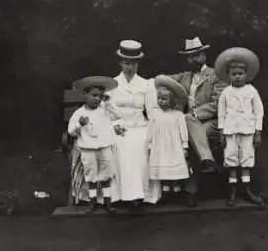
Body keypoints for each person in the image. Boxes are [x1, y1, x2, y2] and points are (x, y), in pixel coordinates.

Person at [169, 36, 227, 207]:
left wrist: (195, 113)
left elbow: (219, 103)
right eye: (189, 56)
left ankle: (189, 190)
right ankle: (206, 161)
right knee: (178, 130)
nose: (192, 59)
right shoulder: (185, 76)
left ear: (204, 55)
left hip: (213, 122)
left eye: (196, 55)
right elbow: (161, 80)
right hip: (189, 122)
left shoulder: (217, 75)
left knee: (192, 128)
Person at [106, 40, 161, 211]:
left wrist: (153, 131)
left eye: (133, 62)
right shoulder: (112, 84)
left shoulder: (146, 84)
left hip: (139, 126)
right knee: (120, 144)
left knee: (141, 143)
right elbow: (105, 111)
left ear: (138, 63)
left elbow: (152, 112)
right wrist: (113, 125)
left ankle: (141, 195)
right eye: (126, 62)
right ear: (120, 63)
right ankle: (120, 195)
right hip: (118, 126)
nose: (129, 66)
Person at [214, 47, 265, 207]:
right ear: (229, 75)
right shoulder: (226, 93)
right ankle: (233, 191)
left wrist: (257, 132)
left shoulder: (252, 91)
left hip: (248, 130)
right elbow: (221, 113)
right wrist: (221, 132)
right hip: (230, 131)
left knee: (246, 159)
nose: (237, 77)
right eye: (234, 74)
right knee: (231, 159)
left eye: (240, 74)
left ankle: (247, 190)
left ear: (246, 75)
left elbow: (259, 112)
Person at [67, 76, 125, 214]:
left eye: (100, 96)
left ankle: (107, 201)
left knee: (106, 173)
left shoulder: (104, 110)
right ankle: (92, 202)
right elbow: (71, 132)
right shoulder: (79, 113)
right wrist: (79, 124)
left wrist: (108, 103)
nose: (97, 99)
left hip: (104, 146)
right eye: (94, 95)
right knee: (91, 174)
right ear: (85, 95)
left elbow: (118, 115)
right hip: (88, 149)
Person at [147, 75, 190, 204]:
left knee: (175, 168)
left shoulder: (178, 115)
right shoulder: (155, 114)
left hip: (174, 147)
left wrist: (184, 145)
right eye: (159, 99)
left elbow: (183, 131)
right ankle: (166, 192)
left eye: (164, 99)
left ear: (172, 101)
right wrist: (149, 144)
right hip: (160, 147)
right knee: (163, 168)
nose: (161, 101)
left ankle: (176, 191)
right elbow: (151, 130)